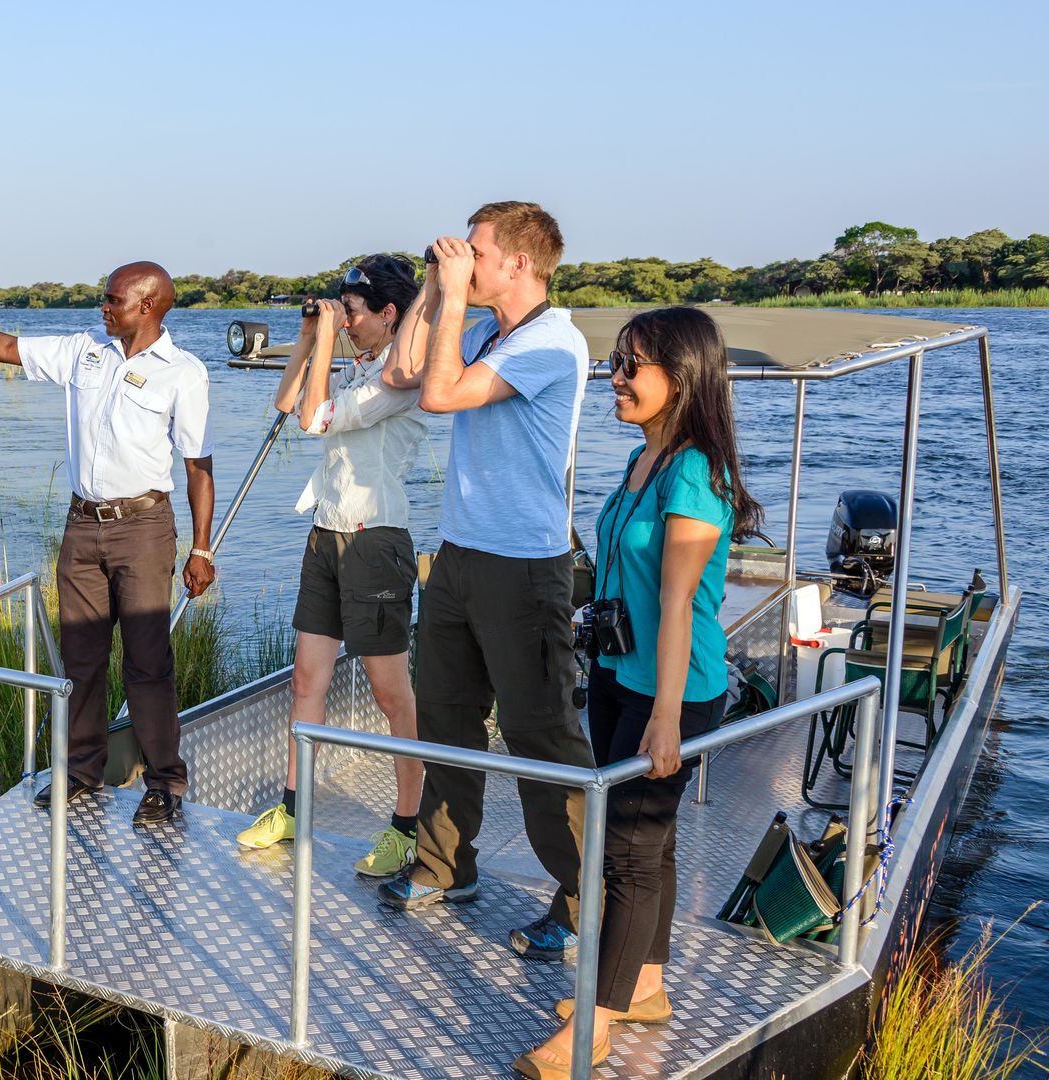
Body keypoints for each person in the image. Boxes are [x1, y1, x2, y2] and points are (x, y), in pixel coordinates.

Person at [0, 262, 215, 827]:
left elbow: (199, 467)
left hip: (144, 529)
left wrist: (201, 550)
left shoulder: (183, 373)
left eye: (113, 300)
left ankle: (165, 783)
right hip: (82, 525)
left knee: (148, 662)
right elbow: (3, 345)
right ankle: (81, 772)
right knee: (81, 657)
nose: (103, 308)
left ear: (148, 305)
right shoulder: (85, 351)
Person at [514, 307, 762, 1079]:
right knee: (647, 846)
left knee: (624, 853)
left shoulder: (692, 469)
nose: (615, 378)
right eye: (615, 362)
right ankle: (646, 984)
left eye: (633, 367)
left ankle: (592, 1028)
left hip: (675, 692)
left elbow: (681, 602)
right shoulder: (639, 461)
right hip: (623, 675)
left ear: (682, 378)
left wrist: (665, 722)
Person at [374, 202, 598, 965]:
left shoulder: (550, 344)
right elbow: (403, 371)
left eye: (475, 252)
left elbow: (440, 396)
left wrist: (454, 296)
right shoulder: (481, 330)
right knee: (446, 719)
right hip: (460, 556)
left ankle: (581, 903)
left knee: (542, 738)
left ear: (518, 266)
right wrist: (436, 294)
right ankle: (445, 866)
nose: (462, 259)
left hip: (526, 567)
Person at [234, 255, 429, 879]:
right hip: (325, 534)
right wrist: (315, 339)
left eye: (352, 312)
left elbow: (316, 418)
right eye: (341, 309)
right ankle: (296, 807)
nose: (345, 320)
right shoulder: (358, 365)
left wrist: (323, 344)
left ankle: (407, 824)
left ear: (388, 314)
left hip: (376, 541)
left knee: (390, 693)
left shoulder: (404, 376)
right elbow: (288, 398)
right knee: (305, 682)